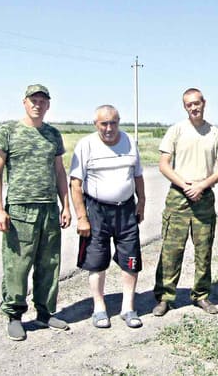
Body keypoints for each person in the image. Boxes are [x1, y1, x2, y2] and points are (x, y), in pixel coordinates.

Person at [0, 84, 72, 341]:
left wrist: (66, 205)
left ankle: (45, 313)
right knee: (18, 265)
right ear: (24, 102)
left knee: (49, 263)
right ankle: (15, 316)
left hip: (48, 208)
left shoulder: (52, 135)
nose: (38, 104)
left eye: (42, 100)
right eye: (33, 99)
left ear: (48, 105)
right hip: (20, 209)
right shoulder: (8, 132)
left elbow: (59, 172)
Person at [152, 88, 218, 316]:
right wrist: (186, 186)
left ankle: (201, 295)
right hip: (179, 196)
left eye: (197, 103)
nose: (194, 108)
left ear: (204, 103)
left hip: (203, 197)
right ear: (184, 106)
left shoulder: (216, 133)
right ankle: (165, 297)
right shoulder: (176, 130)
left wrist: (201, 186)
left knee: (204, 250)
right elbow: (164, 164)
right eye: (189, 105)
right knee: (171, 250)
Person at [69, 105, 146, 329]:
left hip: (126, 211)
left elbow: (138, 175)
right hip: (97, 211)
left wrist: (141, 202)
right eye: (104, 124)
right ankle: (99, 308)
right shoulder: (86, 145)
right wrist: (82, 217)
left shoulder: (130, 142)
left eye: (113, 122)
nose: (109, 128)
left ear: (119, 121)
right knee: (97, 261)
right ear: (96, 124)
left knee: (131, 260)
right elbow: (76, 184)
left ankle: (128, 308)